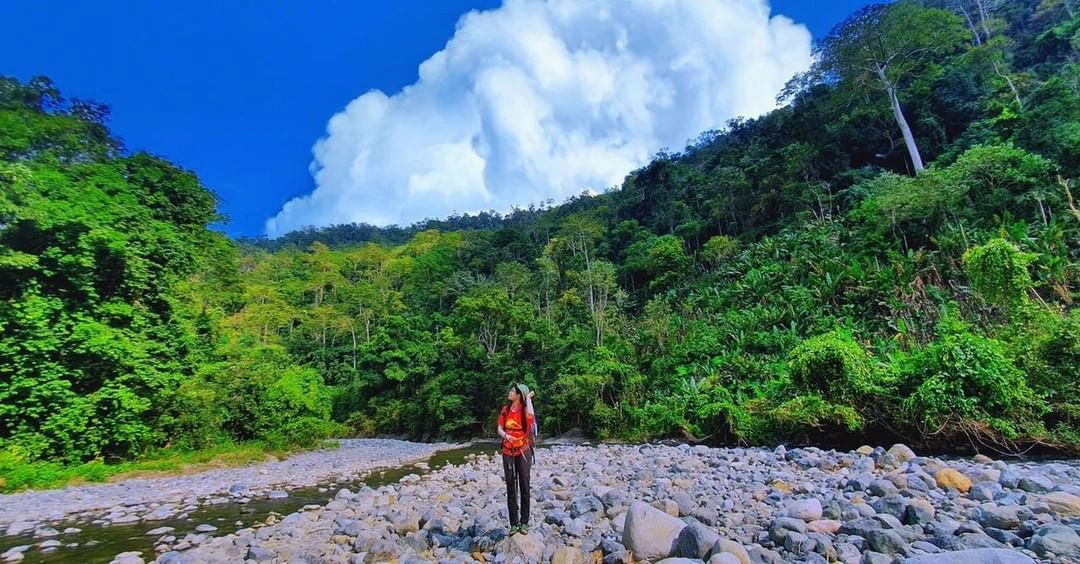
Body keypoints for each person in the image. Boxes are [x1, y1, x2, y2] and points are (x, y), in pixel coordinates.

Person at [497, 383, 535, 535]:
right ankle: (514, 523)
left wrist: (529, 399)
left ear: (519, 395)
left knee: (524, 486)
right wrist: (507, 436)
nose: (510, 392)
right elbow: (499, 429)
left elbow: (531, 416)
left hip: (523, 451)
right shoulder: (505, 410)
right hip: (508, 451)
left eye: (513, 391)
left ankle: (524, 522)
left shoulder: (525, 410)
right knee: (511, 487)